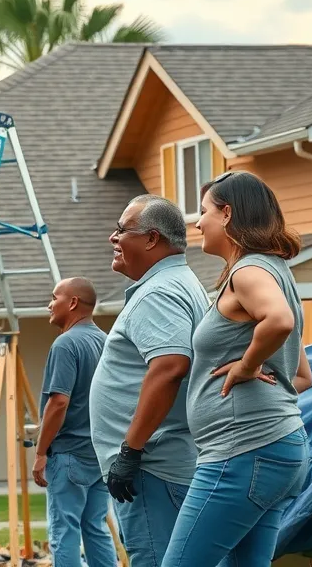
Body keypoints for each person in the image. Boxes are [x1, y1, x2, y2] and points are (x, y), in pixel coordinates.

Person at [162, 171, 312, 566]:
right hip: (276, 448)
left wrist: (246, 366)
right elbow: (301, 377)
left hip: (242, 453)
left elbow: (279, 322)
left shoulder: (247, 272)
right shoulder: (276, 273)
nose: (197, 222)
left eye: (204, 211)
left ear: (227, 214)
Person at [88, 194, 211, 567]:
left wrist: (130, 450)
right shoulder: (180, 282)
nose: (113, 238)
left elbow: (170, 365)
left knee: (154, 559)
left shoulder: (159, 292)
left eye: (122, 230)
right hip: (162, 464)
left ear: (152, 239)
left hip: (152, 467)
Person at [32, 277, 119, 567]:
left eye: (54, 297)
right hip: (99, 455)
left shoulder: (66, 345)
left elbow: (59, 402)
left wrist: (41, 452)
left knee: (63, 531)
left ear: (72, 303)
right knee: (95, 528)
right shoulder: (106, 342)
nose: (49, 304)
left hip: (69, 455)